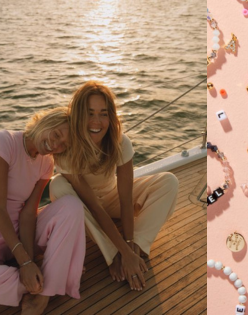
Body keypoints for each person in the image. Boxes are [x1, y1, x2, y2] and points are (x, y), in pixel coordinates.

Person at [0, 107, 86, 315]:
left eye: (63, 145)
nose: (55, 145)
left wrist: (29, 261)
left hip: (20, 230)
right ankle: (47, 279)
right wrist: (25, 263)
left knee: (72, 206)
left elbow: (28, 214)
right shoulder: (3, 142)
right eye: (57, 134)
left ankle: (42, 292)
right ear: (46, 121)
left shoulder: (47, 163)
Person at [50, 81, 179, 292]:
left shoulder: (120, 143)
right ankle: (113, 256)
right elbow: (93, 207)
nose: (96, 121)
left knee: (168, 182)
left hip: (111, 199)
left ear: (111, 116)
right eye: (89, 113)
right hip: (83, 211)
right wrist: (121, 252)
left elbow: (126, 199)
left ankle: (137, 248)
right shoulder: (66, 150)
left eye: (103, 113)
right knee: (57, 186)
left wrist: (130, 246)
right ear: (78, 115)